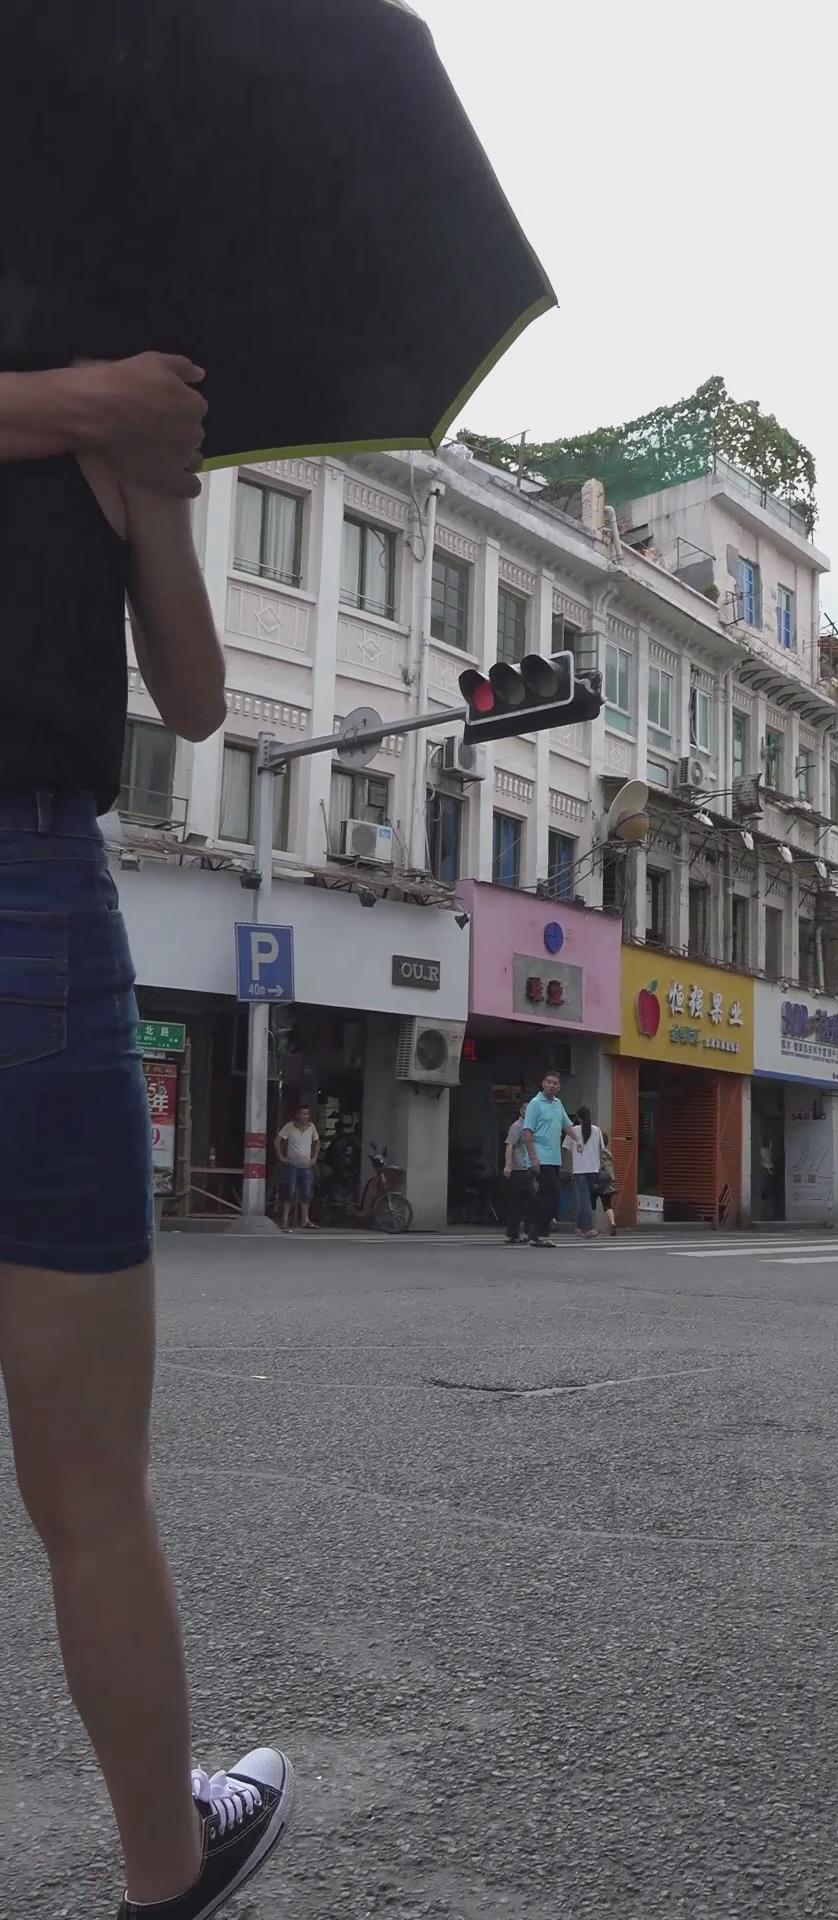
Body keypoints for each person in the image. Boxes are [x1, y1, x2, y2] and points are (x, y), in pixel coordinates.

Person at [0, 351, 292, 1919]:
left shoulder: (110, 398)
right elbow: (193, 704)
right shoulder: (108, 379)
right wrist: (111, 436)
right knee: (93, 1490)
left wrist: (150, 476)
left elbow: (194, 703)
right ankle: (165, 1871)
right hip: (31, 899)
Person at [522, 1070, 573, 1248]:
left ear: (559, 1087)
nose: (551, 1085)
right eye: (549, 1082)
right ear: (543, 1084)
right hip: (540, 1157)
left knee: (547, 1196)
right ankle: (538, 1233)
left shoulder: (558, 1104)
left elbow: (567, 1126)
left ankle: (534, 1232)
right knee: (552, 1193)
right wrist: (533, 1158)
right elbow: (527, 1131)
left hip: (554, 1158)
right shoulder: (535, 1104)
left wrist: (580, 1141)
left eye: (555, 1083)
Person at [276, 1103, 320, 1231]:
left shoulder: (311, 1127)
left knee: (306, 1194)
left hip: (306, 1166)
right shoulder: (289, 1127)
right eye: (303, 1114)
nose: (305, 1116)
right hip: (292, 1165)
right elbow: (277, 1141)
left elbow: (317, 1142)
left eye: (307, 1114)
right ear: (297, 1115)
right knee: (289, 1193)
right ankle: (285, 1220)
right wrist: (281, 1157)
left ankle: (305, 1220)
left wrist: (314, 1158)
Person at [569, 1106, 608, 1239]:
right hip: (593, 1169)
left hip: (579, 1169)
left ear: (578, 1118)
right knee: (586, 1198)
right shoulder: (596, 1130)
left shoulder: (573, 1130)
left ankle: (584, 1227)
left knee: (584, 1198)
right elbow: (602, 1149)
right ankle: (585, 1227)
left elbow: (567, 1148)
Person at [502, 1101, 534, 1246]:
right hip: (518, 1169)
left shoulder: (531, 1126)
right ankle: (515, 1232)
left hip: (529, 1168)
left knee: (527, 1202)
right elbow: (510, 1145)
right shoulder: (517, 1126)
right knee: (519, 1202)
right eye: (525, 1109)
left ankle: (519, 1232)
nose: (528, 1112)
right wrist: (508, 1165)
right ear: (521, 1110)